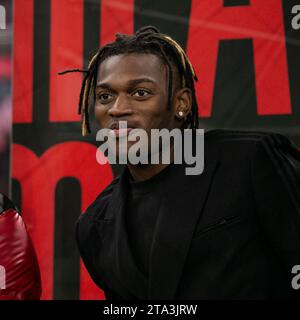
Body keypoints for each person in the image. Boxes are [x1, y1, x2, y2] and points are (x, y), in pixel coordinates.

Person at [66, 26, 300, 299]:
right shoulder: (94, 226)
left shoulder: (250, 161)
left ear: (182, 103)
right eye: (105, 96)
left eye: (140, 93)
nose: (117, 108)